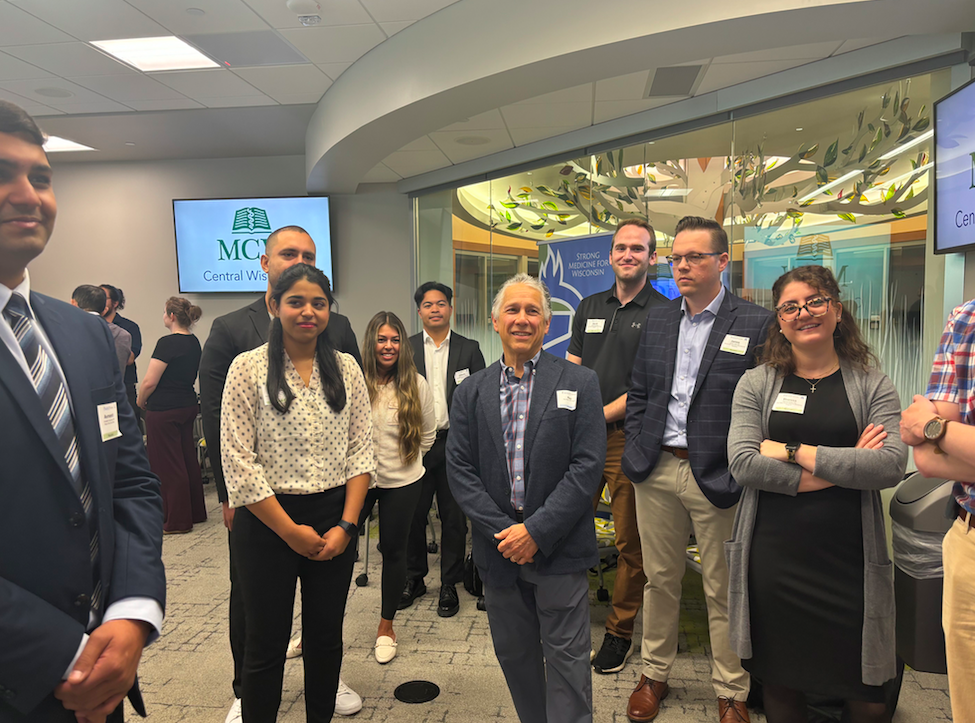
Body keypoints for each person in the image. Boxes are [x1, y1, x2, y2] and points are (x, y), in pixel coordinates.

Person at [0, 99, 165, 722]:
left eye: (40, 177)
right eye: (2, 173)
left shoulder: (85, 334)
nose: (28, 194)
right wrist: (62, 655)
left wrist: (132, 613)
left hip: (106, 673)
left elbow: (131, 483)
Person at [727, 265, 906, 723]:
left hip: (850, 562)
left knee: (868, 693)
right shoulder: (756, 383)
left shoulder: (872, 383)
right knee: (782, 682)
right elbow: (744, 463)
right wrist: (847, 466)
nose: (803, 313)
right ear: (779, 320)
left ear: (837, 310)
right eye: (790, 306)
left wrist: (793, 451)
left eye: (815, 301)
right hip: (775, 558)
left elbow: (889, 465)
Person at [198, 225, 363, 720]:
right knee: (265, 642)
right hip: (268, 520)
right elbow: (238, 461)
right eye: (295, 302)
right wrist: (290, 531)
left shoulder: (347, 369)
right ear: (274, 304)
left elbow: (361, 453)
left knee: (325, 637)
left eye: (319, 303)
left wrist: (347, 525)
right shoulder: (246, 367)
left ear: (329, 310)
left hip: (335, 518)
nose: (308, 311)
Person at [623, 216, 772, 723]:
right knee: (660, 579)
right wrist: (638, 450)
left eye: (695, 257)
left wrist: (742, 464)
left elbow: (764, 405)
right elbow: (640, 391)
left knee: (723, 587)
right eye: (676, 258)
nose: (682, 266)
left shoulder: (754, 323)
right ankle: (654, 675)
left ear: (722, 261)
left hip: (720, 473)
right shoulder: (659, 319)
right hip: (657, 468)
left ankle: (731, 690)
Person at [447, 273, 606, 723]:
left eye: (532, 310)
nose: (522, 319)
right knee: (516, 659)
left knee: (569, 663)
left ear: (547, 322)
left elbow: (587, 466)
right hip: (499, 551)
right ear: (495, 320)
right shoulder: (471, 391)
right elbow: (460, 470)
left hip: (559, 548)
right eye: (512, 310)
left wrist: (535, 531)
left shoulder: (581, 381)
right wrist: (508, 533)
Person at [565, 219, 668, 674]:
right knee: (567, 528)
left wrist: (593, 415)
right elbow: (572, 368)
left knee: (630, 544)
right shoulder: (588, 306)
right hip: (579, 438)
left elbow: (647, 386)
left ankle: (619, 632)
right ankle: (565, 615)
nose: (628, 255)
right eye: (621, 247)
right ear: (610, 256)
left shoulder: (664, 313)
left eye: (638, 249)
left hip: (628, 440)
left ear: (652, 257)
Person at [901, 298, 975, 723]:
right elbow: (928, 458)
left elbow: (926, 431)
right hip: (968, 541)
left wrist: (937, 427)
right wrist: (942, 437)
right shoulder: (966, 320)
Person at [401, 281, 485, 616]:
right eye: (428, 304)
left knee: (453, 519)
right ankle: (414, 578)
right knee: (413, 516)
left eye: (440, 303)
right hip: (416, 446)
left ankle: (450, 583)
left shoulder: (469, 349)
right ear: (419, 311)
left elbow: (480, 399)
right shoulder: (406, 348)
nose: (434, 309)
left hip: (454, 445)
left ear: (451, 308)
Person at [359, 311, 436, 662]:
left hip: (402, 482)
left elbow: (428, 435)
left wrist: (408, 460)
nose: (388, 346)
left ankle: (386, 627)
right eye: (381, 339)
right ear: (371, 342)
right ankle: (317, 626)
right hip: (358, 480)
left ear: (403, 344)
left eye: (394, 339)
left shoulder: (416, 384)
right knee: (336, 552)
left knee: (393, 552)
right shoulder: (355, 380)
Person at [137, 297, 207, 534]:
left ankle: (176, 520)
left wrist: (140, 401)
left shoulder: (167, 343)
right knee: (187, 459)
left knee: (167, 465)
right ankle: (195, 512)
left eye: (164, 312)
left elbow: (150, 381)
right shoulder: (194, 342)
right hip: (187, 405)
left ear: (172, 316)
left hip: (164, 409)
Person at [101, 284, 142, 425]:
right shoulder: (90, 325)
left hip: (124, 387)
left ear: (115, 303)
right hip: (100, 388)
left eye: (103, 297)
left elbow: (129, 358)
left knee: (129, 428)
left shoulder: (129, 327)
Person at [71, 284, 132, 375]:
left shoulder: (63, 329)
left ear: (73, 303)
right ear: (104, 310)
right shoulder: (121, 334)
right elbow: (117, 373)